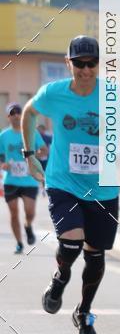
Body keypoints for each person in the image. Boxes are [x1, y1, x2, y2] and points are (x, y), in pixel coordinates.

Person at [21, 35, 120, 334]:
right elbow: (29, 112)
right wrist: (29, 157)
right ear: (68, 63)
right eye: (78, 64)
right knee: (71, 245)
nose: (84, 70)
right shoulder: (52, 94)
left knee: (95, 257)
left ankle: (84, 313)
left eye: (90, 64)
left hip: (103, 189)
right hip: (63, 183)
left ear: (99, 64)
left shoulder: (113, 95)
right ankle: (60, 278)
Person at [0, 103, 47, 253]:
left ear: (22, 115)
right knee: (13, 213)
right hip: (11, 180)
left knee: (30, 212)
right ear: (8, 116)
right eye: (12, 113)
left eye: (18, 112)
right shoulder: (4, 135)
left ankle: (28, 225)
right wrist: (3, 164)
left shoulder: (31, 131)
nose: (15, 115)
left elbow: (44, 150)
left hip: (29, 179)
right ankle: (19, 242)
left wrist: (32, 156)